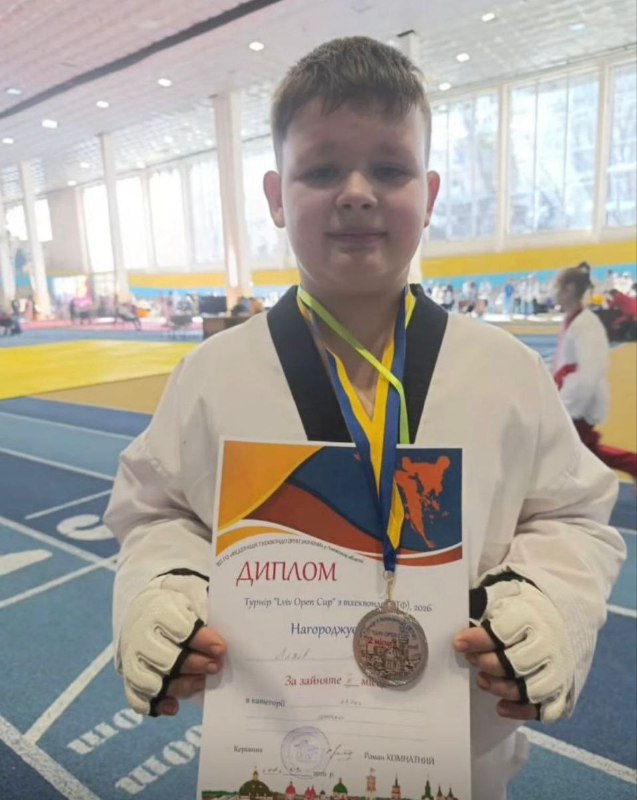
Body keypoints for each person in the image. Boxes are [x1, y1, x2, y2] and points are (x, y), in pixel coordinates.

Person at [105, 38, 625, 800]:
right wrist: (164, 587)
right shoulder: (211, 376)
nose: (355, 193)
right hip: (271, 750)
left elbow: (572, 514)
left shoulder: (504, 370)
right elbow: (157, 512)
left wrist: (548, 602)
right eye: (321, 171)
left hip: (459, 759)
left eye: (389, 169)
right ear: (276, 195)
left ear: (430, 192)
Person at [553, 262, 637, 481]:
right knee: (584, 453)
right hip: (570, 397)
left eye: (556, 287)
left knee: (574, 453)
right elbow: (563, 364)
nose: (553, 292)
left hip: (580, 403)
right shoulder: (572, 320)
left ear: (569, 289)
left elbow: (590, 371)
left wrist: (569, 409)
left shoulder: (587, 324)